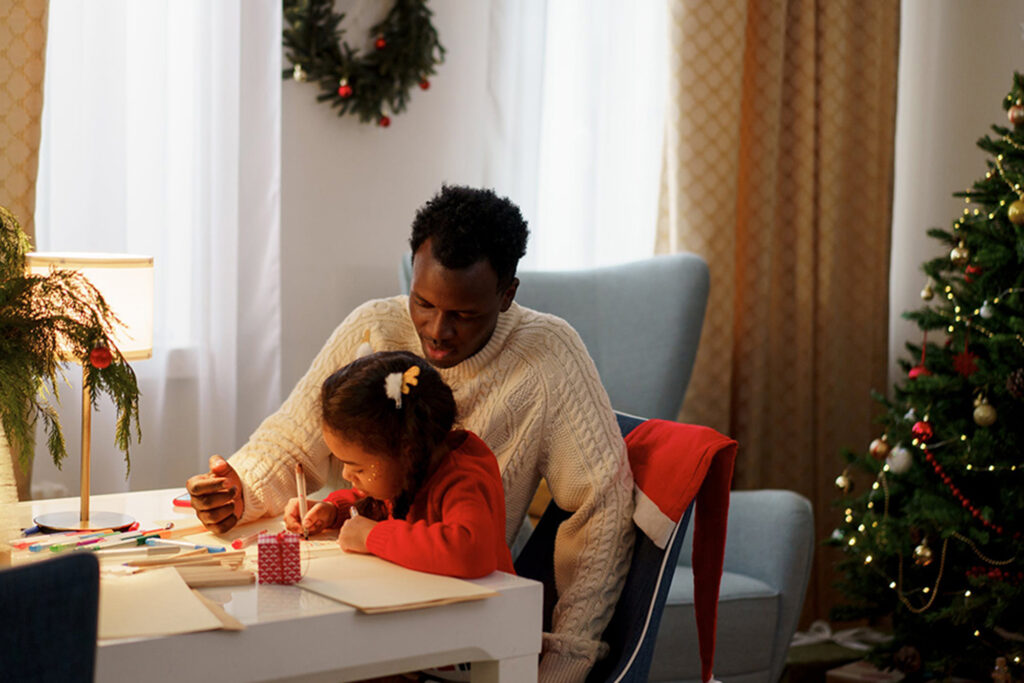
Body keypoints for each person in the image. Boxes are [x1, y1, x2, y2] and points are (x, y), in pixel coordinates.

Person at [186, 185, 634, 683]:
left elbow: (604, 507)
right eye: (422, 302)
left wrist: (566, 657)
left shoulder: (549, 355)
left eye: (464, 315)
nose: (437, 330)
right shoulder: (373, 326)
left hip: (451, 625)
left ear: (507, 293)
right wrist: (241, 489)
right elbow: (295, 440)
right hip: (374, 598)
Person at [282, 350, 514, 579]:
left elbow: (470, 553)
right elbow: (382, 504)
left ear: (407, 451)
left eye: (358, 468)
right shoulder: (403, 472)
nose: (347, 474)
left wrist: (372, 536)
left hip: (484, 611)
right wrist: (334, 512)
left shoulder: (463, 479)